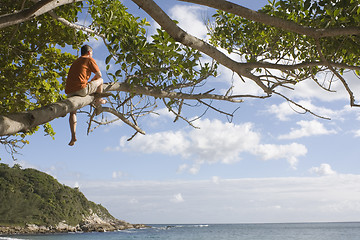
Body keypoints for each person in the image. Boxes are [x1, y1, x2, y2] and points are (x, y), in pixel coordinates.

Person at [65, 45, 106, 146]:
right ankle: (98, 99)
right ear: (89, 52)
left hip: (70, 92)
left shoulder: (75, 62)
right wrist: (93, 81)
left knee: (72, 113)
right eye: (92, 53)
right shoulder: (89, 59)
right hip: (81, 90)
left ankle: (73, 136)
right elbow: (99, 75)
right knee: (101, 80)